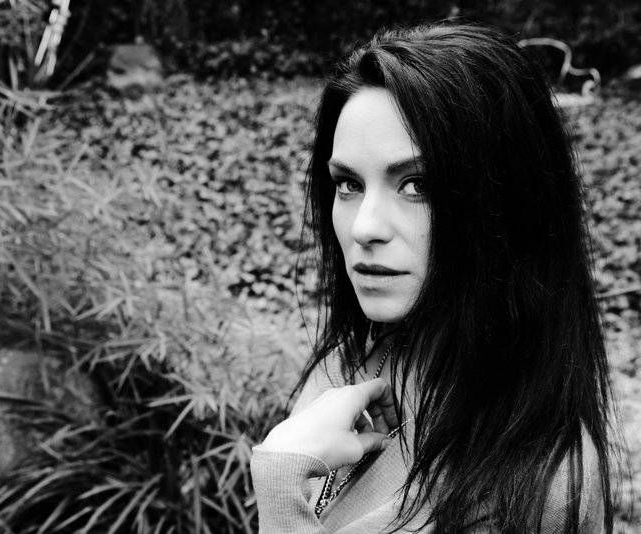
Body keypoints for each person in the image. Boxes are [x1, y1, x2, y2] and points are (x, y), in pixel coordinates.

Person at [249, 22, 615, 533]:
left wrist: (281, 485)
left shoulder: (536, 485)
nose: (364, 227)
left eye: (417, 185)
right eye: (348, 183)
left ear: (507, 204)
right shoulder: (348, 362)